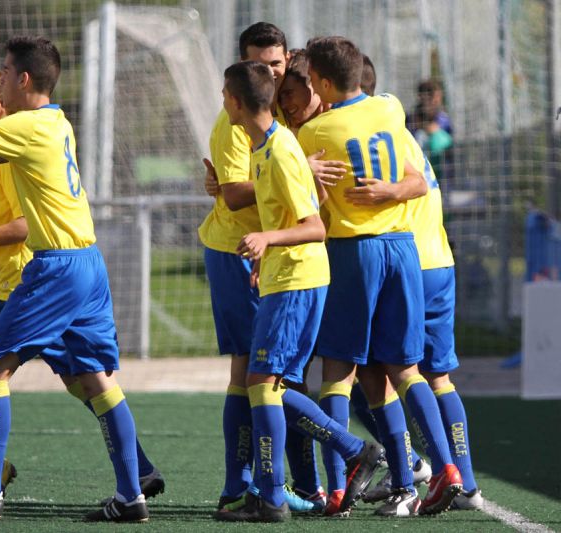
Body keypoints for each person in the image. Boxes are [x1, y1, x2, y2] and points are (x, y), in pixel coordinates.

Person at [0, 51, 163, 505]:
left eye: (4, 72)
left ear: (22, 79)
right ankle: (131, 493)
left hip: (52, 270)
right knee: (96, 382)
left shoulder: (28, 127)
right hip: (85, 262)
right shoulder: (55, 122)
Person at [298, 36, 463, 516]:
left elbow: (317, 208)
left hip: (354, 253)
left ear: (324, 83)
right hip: (402, 250)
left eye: (311, 83)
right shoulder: (390, 109)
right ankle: (443, 471)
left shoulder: (315, 134)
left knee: (336, 371)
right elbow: (413, 175)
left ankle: (335, 487)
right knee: (397, 371)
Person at [213, 60, 384, 523]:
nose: (222, 102)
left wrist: (267, 241)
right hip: (284, 277)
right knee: (271, 385)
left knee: (261, 384)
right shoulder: (266, 148)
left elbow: (312, 228)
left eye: (224, 95)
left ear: (235, 100)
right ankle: (335, 461)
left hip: (298, 280)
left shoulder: (282, 150)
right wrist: (266, 257)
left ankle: (281, 491)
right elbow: (296, 213)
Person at [199, 23, 328, 514]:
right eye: (261, 66)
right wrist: (299, 172)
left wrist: (296, 173)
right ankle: (246, 485)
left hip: (283, 260)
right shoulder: (238, 127)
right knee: (255, 375)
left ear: (287, 61)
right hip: (240, 254)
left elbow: (303, 210)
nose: (271, 74)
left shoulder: (284, 120)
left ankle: (310, 478)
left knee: (271, 378)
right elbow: (234, 195)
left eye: (276, 65)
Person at [350, 59, 481, 512]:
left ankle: (418, 469)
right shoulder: (399, 132)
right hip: (439, 260)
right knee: (437, 376)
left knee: (385, 372)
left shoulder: (369, 139)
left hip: (407, 266)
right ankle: (463, 480)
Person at [407, 79, 453, 181]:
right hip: (418, 168)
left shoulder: (443, 118)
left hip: (440, 169)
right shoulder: (411, 118)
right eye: (436, 97)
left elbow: (445, 139)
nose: (438, 101)